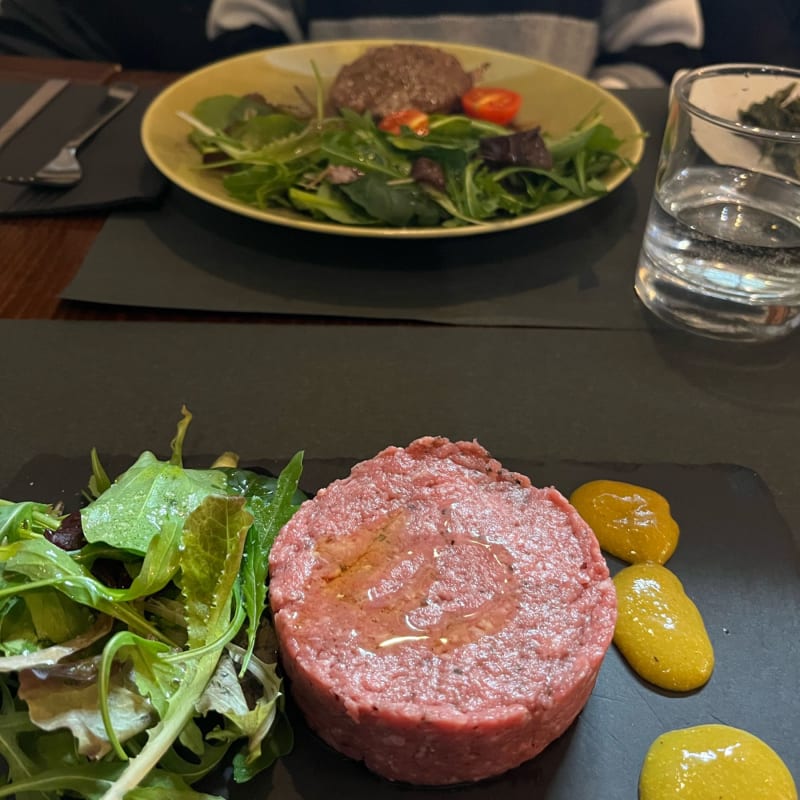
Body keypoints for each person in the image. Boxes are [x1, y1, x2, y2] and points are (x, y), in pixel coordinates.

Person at [0, 0, 704, 85]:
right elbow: (250, 23)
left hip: (552, 214)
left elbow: (663, 41)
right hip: (335, 160)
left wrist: (559, 121)